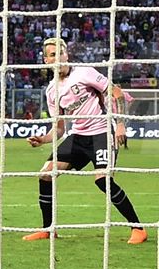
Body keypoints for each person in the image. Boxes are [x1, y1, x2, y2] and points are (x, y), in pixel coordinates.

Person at [25, 38, 147, 244]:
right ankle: (48, 229)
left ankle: (138, 228)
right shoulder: (52, 91)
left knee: (102, 180)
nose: (58, 58)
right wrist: (43, 139)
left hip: (101, 133)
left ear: (67, 55)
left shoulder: (84, 73)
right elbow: (59, 129)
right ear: (46, 60)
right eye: (53, 55)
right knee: (45, 175)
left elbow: (116, 92)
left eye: (61, 53)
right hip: (78, 136)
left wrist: (120, 123)